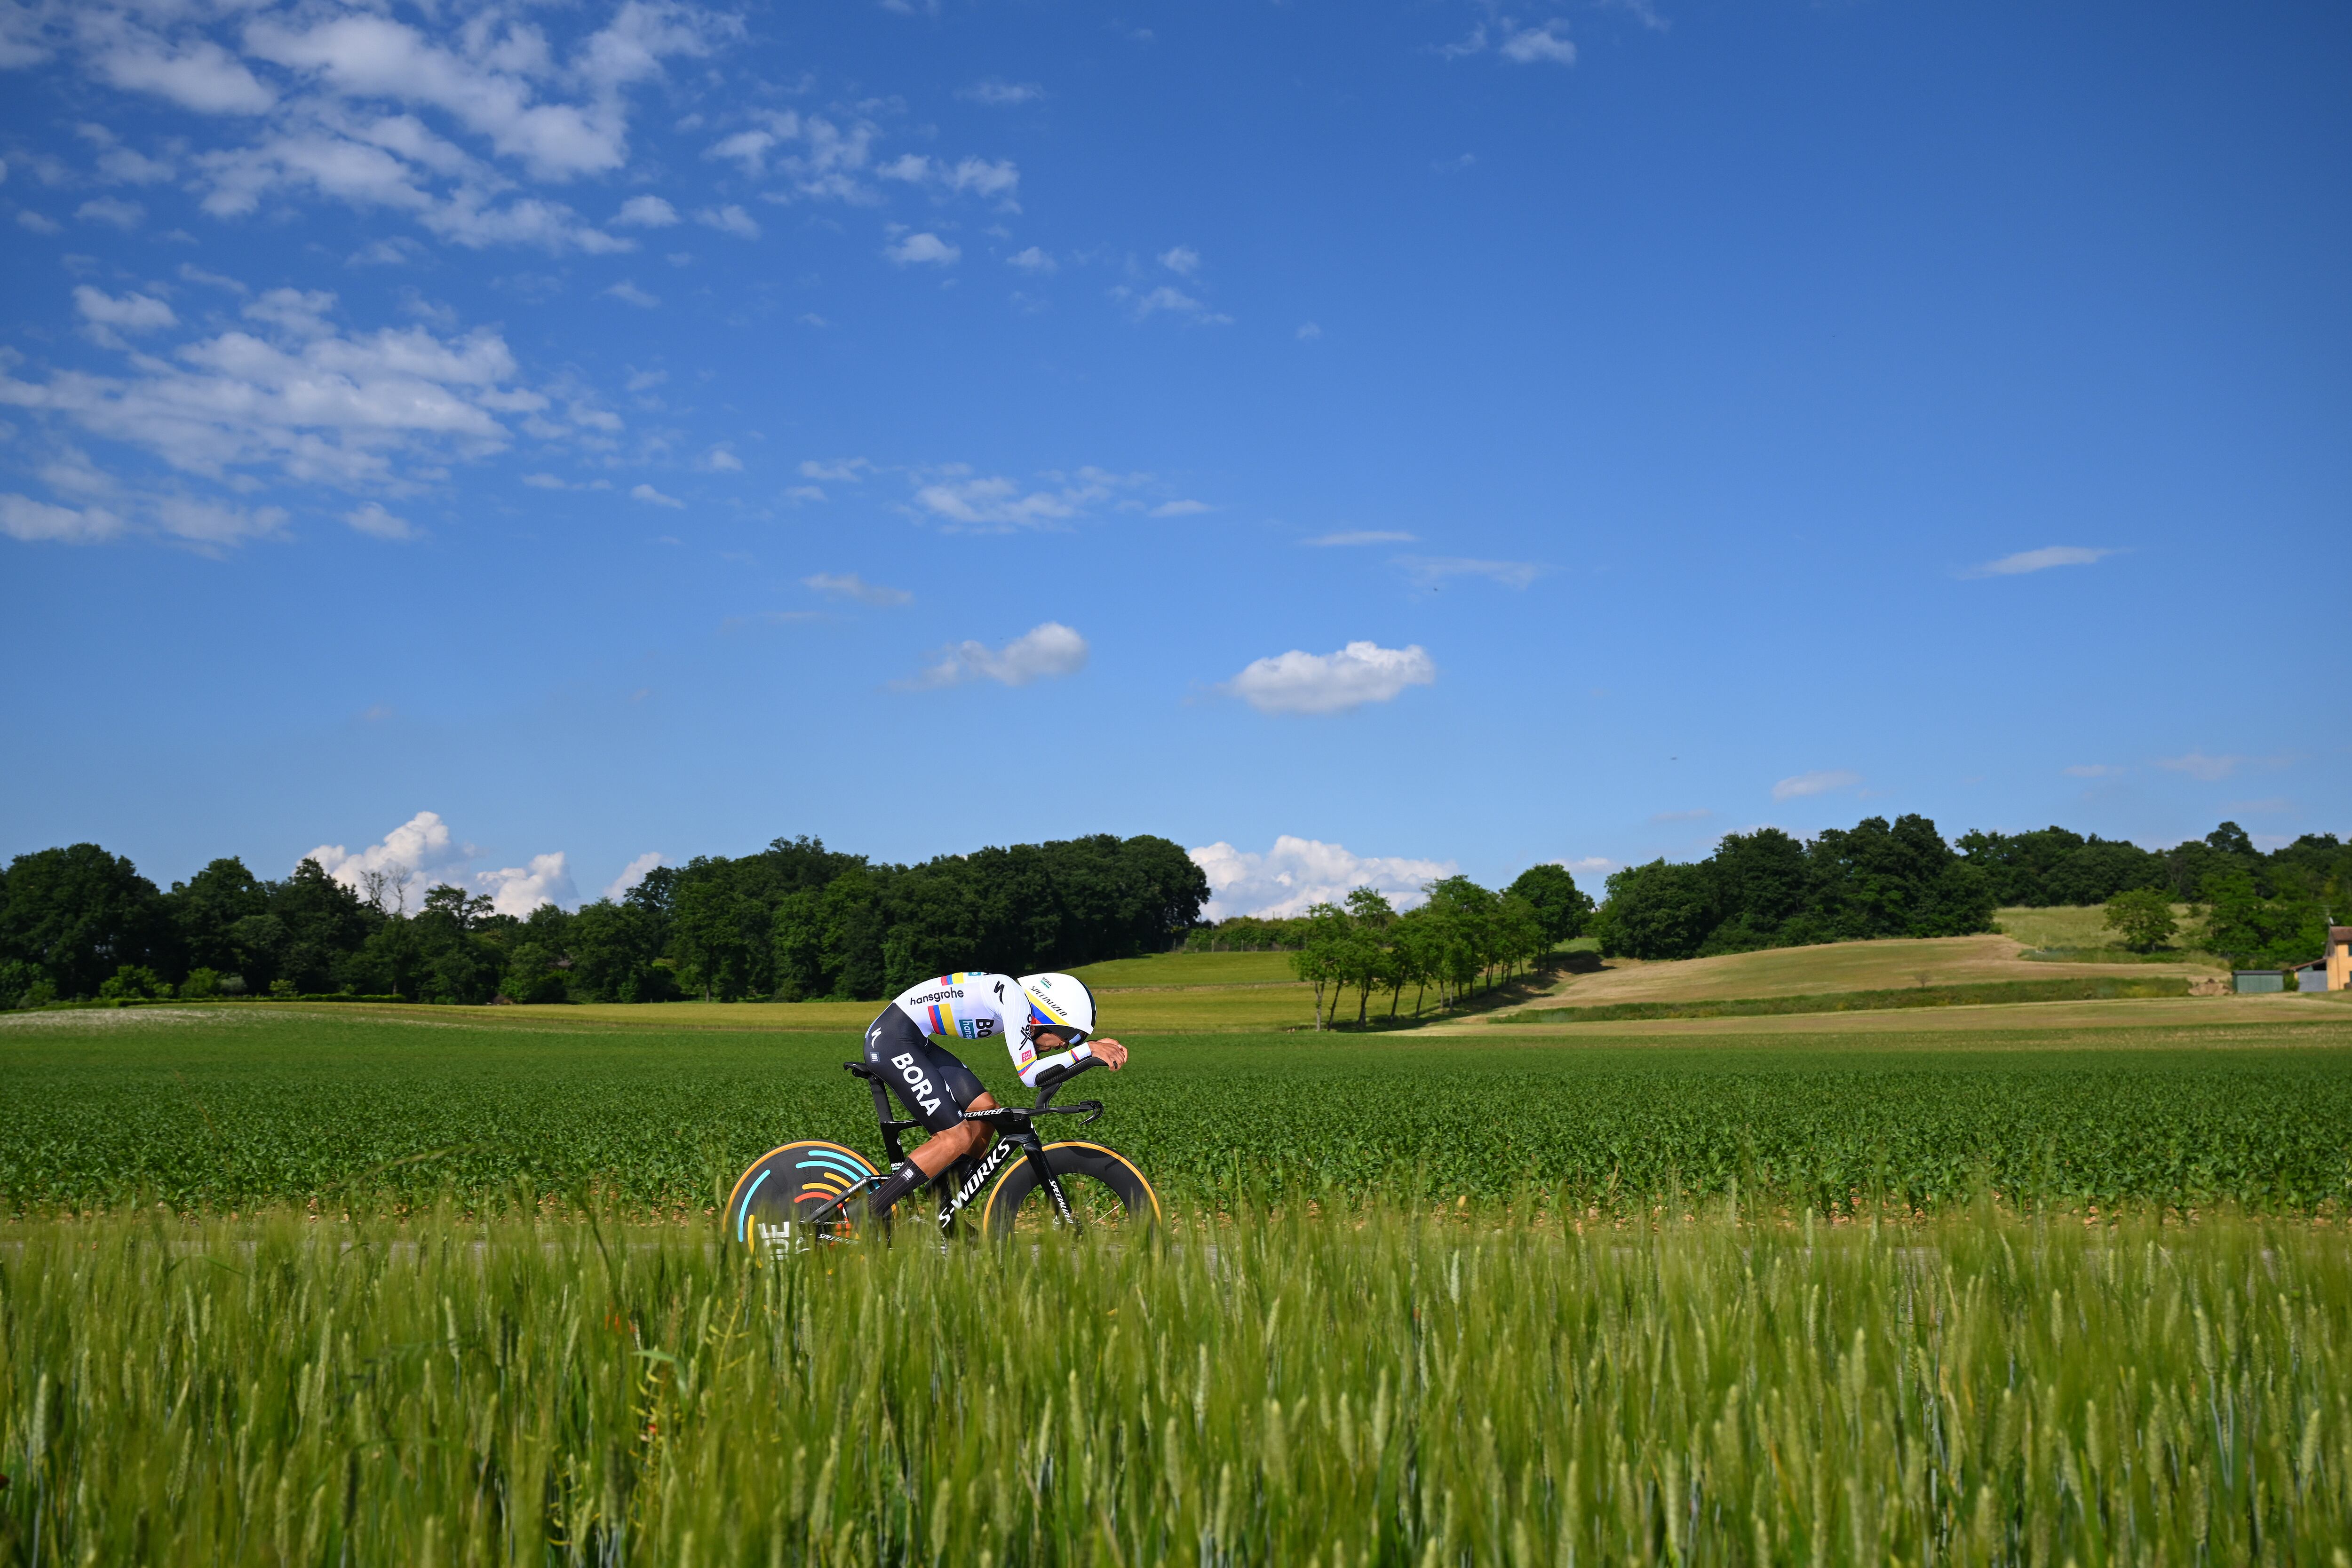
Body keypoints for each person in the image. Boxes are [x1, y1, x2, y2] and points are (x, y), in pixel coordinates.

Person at [859, 970, 1128, 1220]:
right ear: (1048, 1017)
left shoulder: (1016, 999)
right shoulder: (1015, 1000)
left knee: (987, 1114)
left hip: (915, 1040)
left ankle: (943, 1200)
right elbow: (1030, 1075)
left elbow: (1045, 1071)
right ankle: (869, 1211)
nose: (1064, 1046)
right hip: (892, 1040)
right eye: (1069, 1037)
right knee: (955, 1137)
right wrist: (1088, 1050)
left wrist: (1089, 1052)